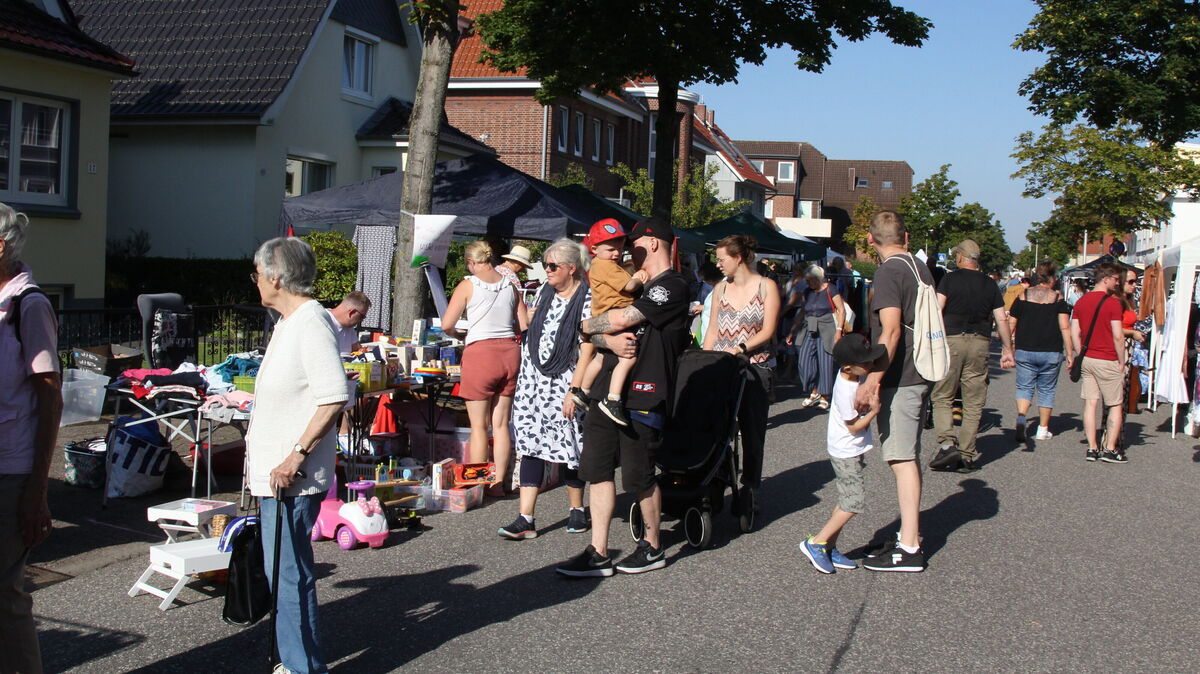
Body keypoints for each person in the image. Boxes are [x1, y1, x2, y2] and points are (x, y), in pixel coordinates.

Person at [556, 216, 690, 577]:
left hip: (644, 392)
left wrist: (588, 326)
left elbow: (619, 320)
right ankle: (598, 551)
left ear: (654, 243)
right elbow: (601, 333)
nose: (627, 249)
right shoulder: (632, 284)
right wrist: (602, 336)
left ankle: (652, 546)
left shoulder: (672, 285)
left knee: (639, 475)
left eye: (634, 243)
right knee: (598, 470)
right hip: (606, 391)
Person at [245, 237, 351, 673]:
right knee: (283, 573)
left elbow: (333, 396)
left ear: (275, 277)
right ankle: (295, 661)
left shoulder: (310, 322)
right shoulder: (289, 322)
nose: (255, 281)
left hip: (291, 476)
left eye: (257, 274)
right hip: (277, 476)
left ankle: (302, 667)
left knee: (289, 575)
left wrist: (295, 456)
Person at [0, 203, 62, 674]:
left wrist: (38, 491)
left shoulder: (29, 306)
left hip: (11, 472)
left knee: (5, 598)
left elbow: (50, 400)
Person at [499, 239, 592, 540]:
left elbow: (587, 350)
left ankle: (577, 510)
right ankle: (525, 518)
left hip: (564, 383)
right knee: (530, 444)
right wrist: (525, 318)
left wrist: (575, 390)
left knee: (570, 446)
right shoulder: (544, 291)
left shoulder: (587, 299)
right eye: (546, 265)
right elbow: (529, 327)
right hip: (533, 382)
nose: (547, 270)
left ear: (572, 268)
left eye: (553, 266)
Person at [855, 210, 932, 573]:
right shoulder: (919, 267)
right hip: (919, 371)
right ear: (906, 236)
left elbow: (891, 330)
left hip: (902, 376)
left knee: (901, 459)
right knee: (906, 456)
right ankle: (908, 535)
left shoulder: (889, 272)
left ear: (870, 240)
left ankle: (910, 547)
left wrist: (873, 380)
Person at [443, 240, 529, 494]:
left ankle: (478, 484)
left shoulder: (468, 285)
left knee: (479, 426)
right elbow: (523, 324)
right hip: (510, 353)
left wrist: (458, 334)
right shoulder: (511, 285)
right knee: (501, 424)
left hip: (481, 354)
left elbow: (447, 324)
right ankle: (498, 483)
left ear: (471, 262)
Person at [703, 234, 781, 505]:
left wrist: (740, 348)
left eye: (721, 259)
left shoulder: (766, 286)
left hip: (755, 367)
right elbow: (712, 329)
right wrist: (705, 360)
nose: (718, 264)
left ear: (738, 258)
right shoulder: (720, 289)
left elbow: (768, 329)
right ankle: (715, 478)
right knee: (715, 428)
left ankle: (750, 486)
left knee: (752, 431)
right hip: (723, 367)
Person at [799, 333, 885, 574]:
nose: (871, 365)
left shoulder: (850, 376)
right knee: (853, 503)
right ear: (848, 367)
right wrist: (874, 411)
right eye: (866, 363)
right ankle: (816, 542)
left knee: (846, 500)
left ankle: (829, 546)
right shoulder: (847, 390)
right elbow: (853, 427)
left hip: (848, 449)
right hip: (846, 451)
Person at [927, 239, 1015, 473]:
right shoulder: (990, 284)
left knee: (942, 395)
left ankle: (947, 444)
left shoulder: (949, 279)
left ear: (960, 257)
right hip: (980, 343)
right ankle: (966, 454)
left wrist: (930, 341)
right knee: (973, 401)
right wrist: (1007, 349)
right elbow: (1001, 318)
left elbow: (937, 309)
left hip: (952, 340)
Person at [570, 219, 648, 426]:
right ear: (594, 248)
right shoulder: (606, 266)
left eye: (620, 249)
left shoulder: (600, 265)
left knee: (601, 357)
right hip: (615, 312)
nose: (616, 253)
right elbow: (629, 286)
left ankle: (583, 391)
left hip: (603, 312)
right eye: (611, 249)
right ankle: (613, 399)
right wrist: (640, 277)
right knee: (628, 357)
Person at [1009, 261, 1074, 442]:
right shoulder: (1058, 299)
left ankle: (1022, 417)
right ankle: (1042, 430)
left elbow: (1011, 322)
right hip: (1051, 351)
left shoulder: (1023, 295)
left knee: (1024, 387)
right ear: (1052, 278)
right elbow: (1065, 327)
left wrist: (1008, 346)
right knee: (1047, 390)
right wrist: (1070, 353)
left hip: (1025, 349)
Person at [1070, 261, 1127, 463]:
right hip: (1107, 358)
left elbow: (1075, 332)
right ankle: (1109, 448)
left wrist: (1080, 353)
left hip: (1088, 358)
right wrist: (1122, 360)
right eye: (1116, 279)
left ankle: (1092, 447)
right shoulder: (1112, 303)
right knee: (1115, 404)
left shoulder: (1081, 302)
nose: (1118, 283)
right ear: (1106, 278)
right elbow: (1118, 336)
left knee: (1090, 403)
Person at [787, 264, 845, 410]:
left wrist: (839, 330)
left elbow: (841, 310)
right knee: (804, 361)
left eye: (810, 280)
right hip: (809, 327)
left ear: (817, 278)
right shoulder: (807, 291)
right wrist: (792, 330)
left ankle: (824, 396)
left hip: (827, 328)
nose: (807, 283)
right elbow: (802, 311)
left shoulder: (831, 288)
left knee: (825, 362)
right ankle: (814, 390)